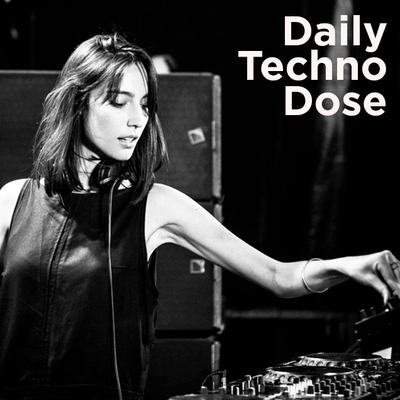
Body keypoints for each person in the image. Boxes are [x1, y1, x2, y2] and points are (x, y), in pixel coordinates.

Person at [0, 33, 399, 400]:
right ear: (76, 102)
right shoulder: (12, 200)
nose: (138, 119)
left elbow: (279, 277)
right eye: (119, 102)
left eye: (145, 104)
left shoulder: (155, 205)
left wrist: (347, 266)